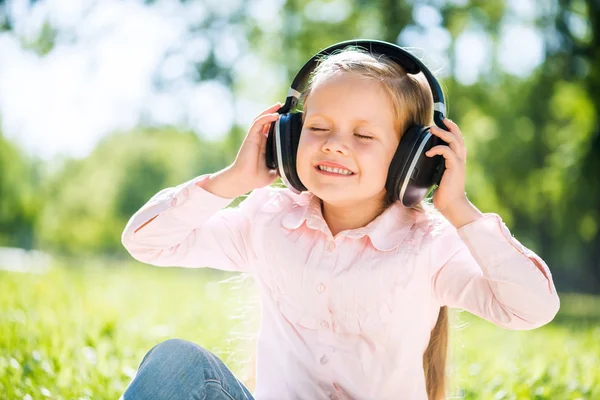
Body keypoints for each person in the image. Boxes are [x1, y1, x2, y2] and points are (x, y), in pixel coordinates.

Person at [120, 44, 560, 400]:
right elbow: (148, 242)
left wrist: (460, 209)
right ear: (288, 137)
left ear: (414, 160)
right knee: (176, 363)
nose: (333, 145)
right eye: (317, 128)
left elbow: (532, 309)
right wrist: (230, 181)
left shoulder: (430, 247)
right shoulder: (267, 221)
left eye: (363, 135)